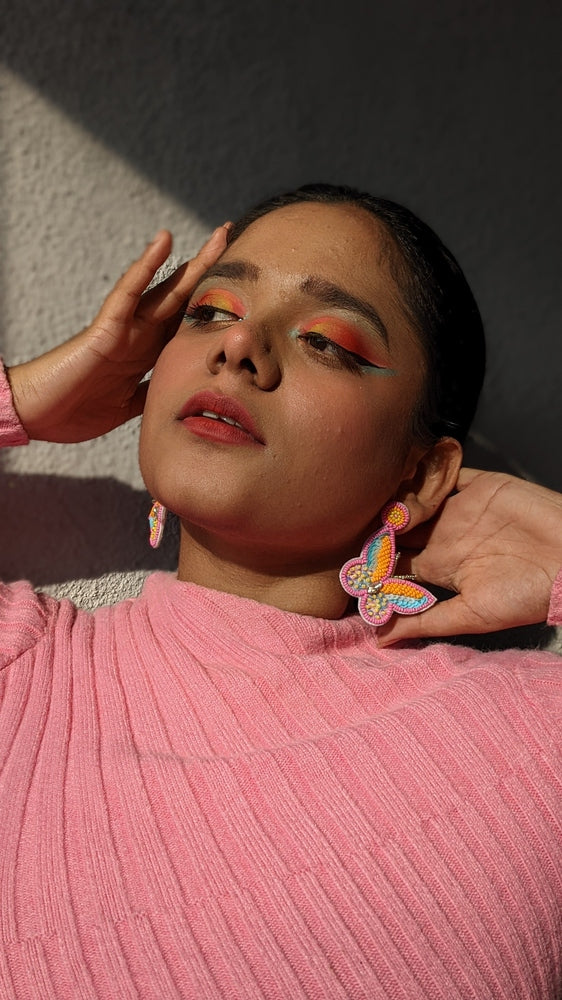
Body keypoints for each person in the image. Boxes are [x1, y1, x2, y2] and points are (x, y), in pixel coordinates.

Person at [1, 183, 560, 999]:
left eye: (326, 341)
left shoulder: (534, 738)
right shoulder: (22, 673)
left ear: (423, 470)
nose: (240, 347)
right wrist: (28, 395)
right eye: (211, 311)